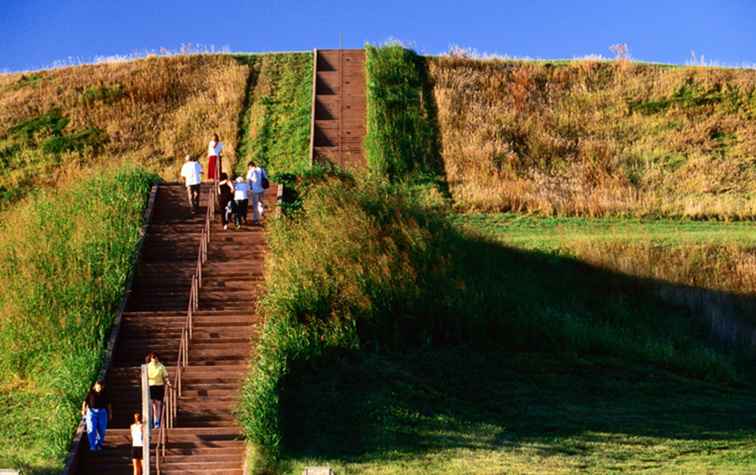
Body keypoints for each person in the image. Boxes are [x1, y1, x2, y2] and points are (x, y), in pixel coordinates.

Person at [81, 379, 111, 452]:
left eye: (100, 387)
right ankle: (92, 445)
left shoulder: (105, 393)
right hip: (92, 412)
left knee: (102, 429)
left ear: (103, 387)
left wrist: (110, 413)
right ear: (95, 386)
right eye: (98, 387)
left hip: (102, 412)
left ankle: (99, 444)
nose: (99, 389)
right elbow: (85, 402)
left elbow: (109, 404)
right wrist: (83, 410)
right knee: (91, 428)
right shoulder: (91, 393)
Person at [145, 352, 171, 428]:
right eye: (153, 357)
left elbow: (165, 376)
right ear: (150, 358)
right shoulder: (147, 366)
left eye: (156, 357)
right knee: (153, 405)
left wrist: (168, 383)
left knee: (158, 404)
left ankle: (157, 422)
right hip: (150, 386)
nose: (155, 359)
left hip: (159, 386)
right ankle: (152, 421)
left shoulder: (161, 366)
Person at [246, 161, 268, 225]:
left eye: (248, 167)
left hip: (254, 190)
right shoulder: (261, 169)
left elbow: (248, 180)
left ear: (250, 166)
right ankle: (261, 211)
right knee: (260, 202)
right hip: (262, 189)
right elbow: (266, 178)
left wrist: (249, 188)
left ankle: (256, 220)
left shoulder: (250, 171)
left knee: (255, 205)